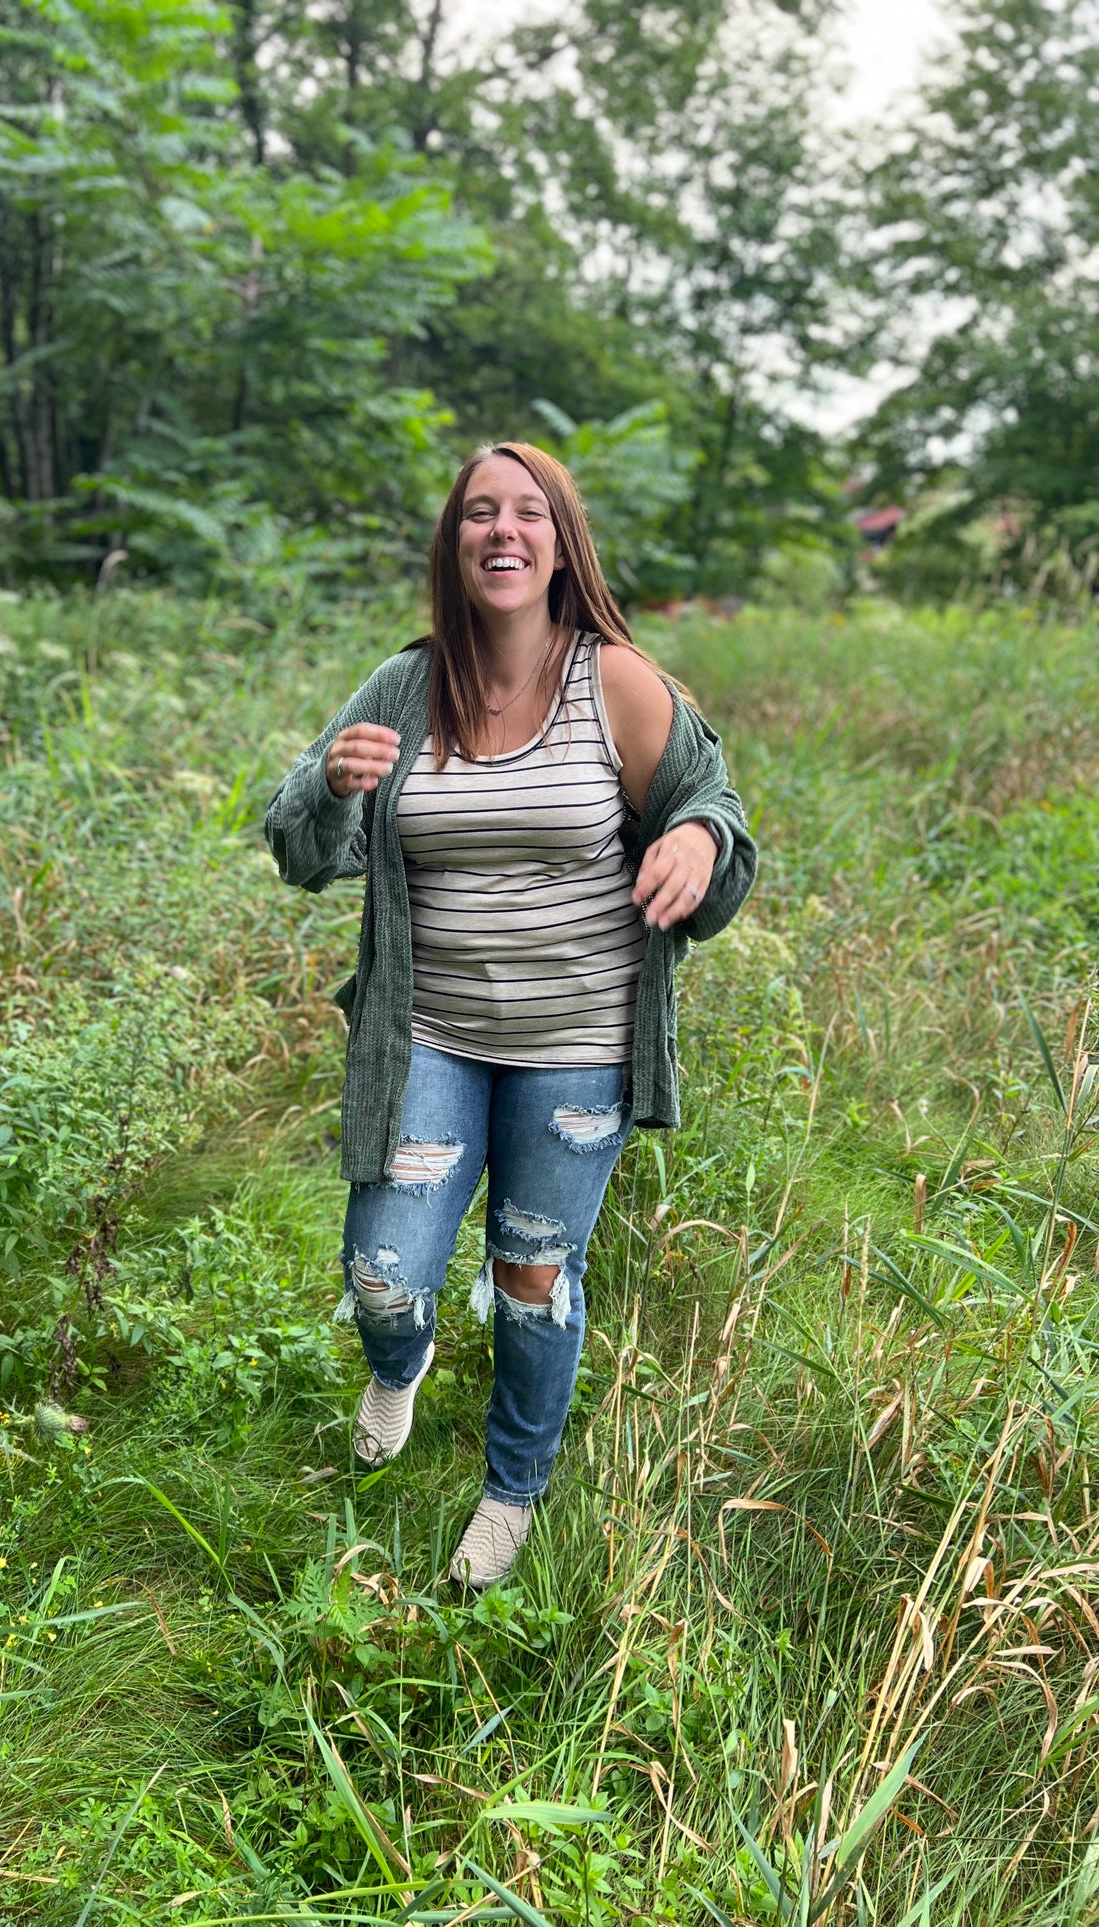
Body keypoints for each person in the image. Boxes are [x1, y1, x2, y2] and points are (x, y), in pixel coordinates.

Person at [265, 442, 756, 1588]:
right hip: (426, 1032)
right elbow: (295, 850)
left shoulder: (620, 683)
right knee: (382, 1272)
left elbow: (713, 809)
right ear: (453, 544)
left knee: (534, 1275)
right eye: (477, 512)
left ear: (557, 540)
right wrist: (331, 788)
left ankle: (510, 1487)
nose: (500, 529)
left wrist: (693, 835)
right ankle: (403, 1360)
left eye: (525, 511)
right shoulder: (401, 687)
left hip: (576, 1045)